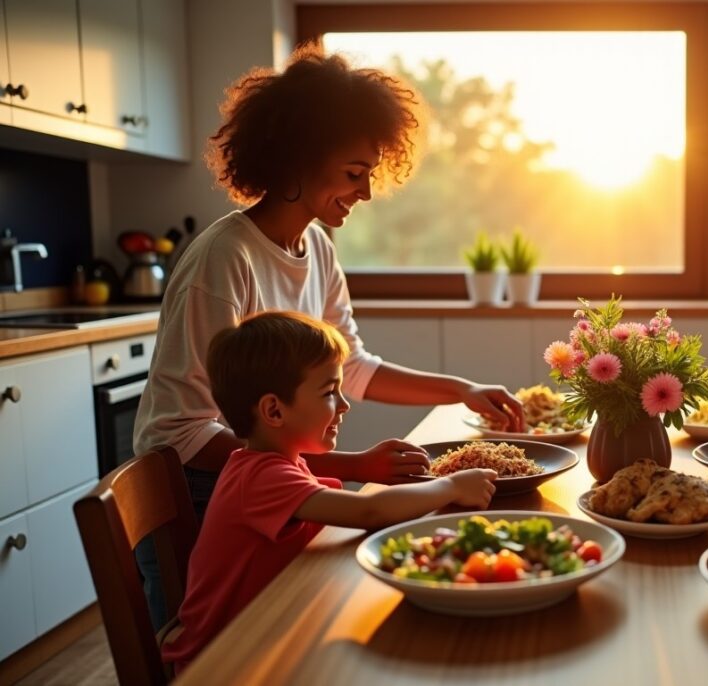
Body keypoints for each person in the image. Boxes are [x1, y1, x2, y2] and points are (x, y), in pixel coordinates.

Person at [133, 44, 522, 629]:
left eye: (370, 174)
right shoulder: (224, 259)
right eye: (353, 173)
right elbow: (189, 430)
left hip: (266, 474)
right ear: (298, 158)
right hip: (194, 489)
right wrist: (353, 465)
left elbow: (354, 367)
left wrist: (461, 390)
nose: (365, 192)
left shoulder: (316, 246)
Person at [161, 311, 497, 672]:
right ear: (274, 410)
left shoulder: (281, 462)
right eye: (329, 392)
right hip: (223, 660)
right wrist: (450, 486)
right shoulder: (260, 477)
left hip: (271, 629)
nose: (344, 405)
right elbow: (369, 511)